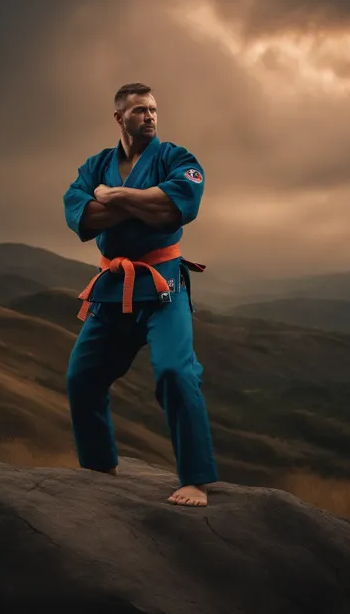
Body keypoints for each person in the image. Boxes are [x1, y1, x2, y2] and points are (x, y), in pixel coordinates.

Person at [63, 82, 218, 506]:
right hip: (113, 288)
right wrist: (142, 201)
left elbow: (174, 209)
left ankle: (196, 479)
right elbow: (82, 219)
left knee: (175, 371)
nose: (149, 116)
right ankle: (99, 465)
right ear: (119, 117)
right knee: (82, 377)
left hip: (163, 285)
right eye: (139, 111)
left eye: (153, 109)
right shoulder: (95, 165)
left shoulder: (177, 159)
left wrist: (113, 197)